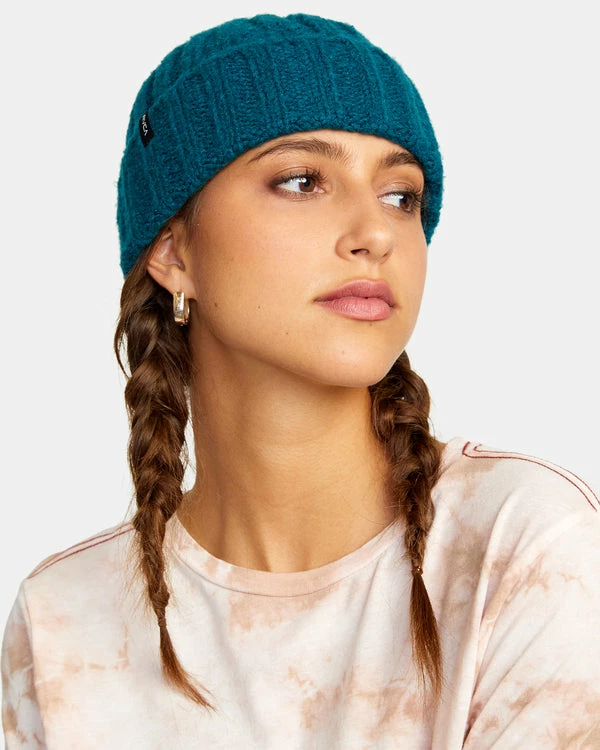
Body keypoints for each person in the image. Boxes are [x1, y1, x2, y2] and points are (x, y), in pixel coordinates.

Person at [2, 13, 600, 749]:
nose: (375, 233)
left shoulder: (525, 547)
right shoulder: (63, 622)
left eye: (401, 196)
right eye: (302, 181)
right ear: (174, 253)